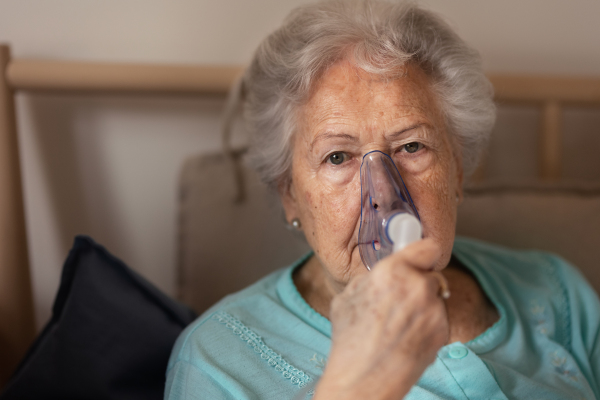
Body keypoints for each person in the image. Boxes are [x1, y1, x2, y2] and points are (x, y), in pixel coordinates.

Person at [164, 1, 600, 399]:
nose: (386, 198)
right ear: (291, 195)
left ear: (458, 171)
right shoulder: (218, 361)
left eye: (412, 147)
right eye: (338, 156)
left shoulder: (556, 291)